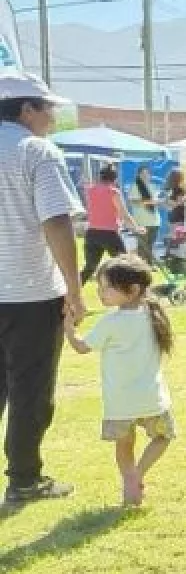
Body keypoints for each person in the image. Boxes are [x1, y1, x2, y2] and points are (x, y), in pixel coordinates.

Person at [0, 72, 81, 503]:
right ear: (27, 109)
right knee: (30, 389)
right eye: (48, 108)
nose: (52, 116)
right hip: (29, 291)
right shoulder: (36, 151)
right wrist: (74, 287)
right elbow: (56, 221)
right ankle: (24, 478)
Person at [67, 255, 174, 506]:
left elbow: (82, 347)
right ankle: (138, 473)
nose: (100, 293)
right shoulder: (153, 313)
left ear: (133, 290)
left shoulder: (111, 322)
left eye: (107, 288)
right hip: (152, 397)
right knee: (163, 437)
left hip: (120, 401)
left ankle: (130, 478)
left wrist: (69, 329)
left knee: (124, 445)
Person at [81, 163, 145, 283]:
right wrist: (136, 228)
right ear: (115, 178)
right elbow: (124, 214)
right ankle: (127, 288)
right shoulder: (113, 192)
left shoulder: (90, 190)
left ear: (101, 176)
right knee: (124, 265)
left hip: (92, 233)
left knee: (90, 267)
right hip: (109, 234)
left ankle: (72, 291)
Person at [129, 165, 161, 261]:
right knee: (142, 248)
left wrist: (162, 201)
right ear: (138, 175)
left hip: (154, 221)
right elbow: (133, 201)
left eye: (147, 173)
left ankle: (149, 264)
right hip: (142, 222)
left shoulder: (153, 186)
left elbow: (155, 202)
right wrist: (150, 202)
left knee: (150, 246)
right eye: (143, 173)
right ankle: (141, 266)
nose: (145, 175)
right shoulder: (135, 186)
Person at [165, 168, 186, 232]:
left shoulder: (167, 188)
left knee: (173, 233)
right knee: (179, 234)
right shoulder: (180, 189)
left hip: (171, 215)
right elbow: (180, 202)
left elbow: (167, 202)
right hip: (178, 215)